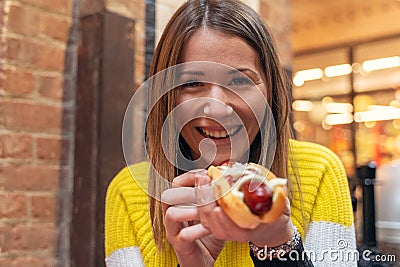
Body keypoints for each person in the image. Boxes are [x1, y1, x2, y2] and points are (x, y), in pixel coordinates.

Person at [104, 0, 357, 266]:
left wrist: (279, 248)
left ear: (271, 89)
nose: (217, 108)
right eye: (192, 83)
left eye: (240, 80)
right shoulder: (128, 192)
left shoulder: (318, 171)